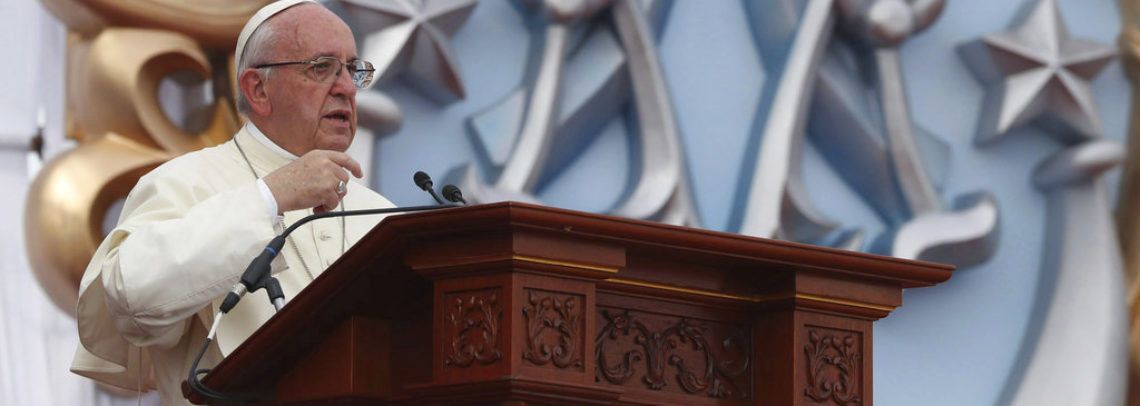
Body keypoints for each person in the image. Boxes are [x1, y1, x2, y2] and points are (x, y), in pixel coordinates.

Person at [69, 1, 395, 404]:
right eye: (322, 67)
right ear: (258, 89)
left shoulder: (381, 213)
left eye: (352, 69)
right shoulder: (184, 182)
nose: (346, 87)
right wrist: (271, 198)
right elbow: (133, 298)